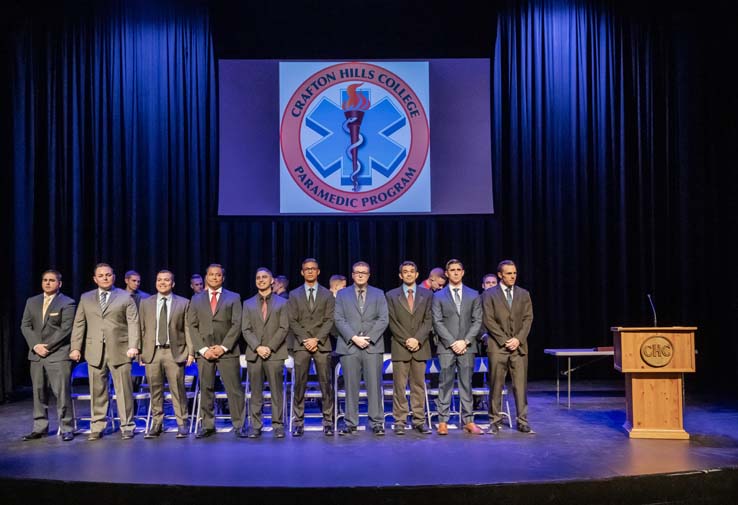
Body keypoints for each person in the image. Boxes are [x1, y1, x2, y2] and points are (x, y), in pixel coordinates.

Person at [70, 263, 140, 440]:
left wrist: (134, 346)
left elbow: (133, 323)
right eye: (101, 275)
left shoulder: (125, 297)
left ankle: (127, 426)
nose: (105, 278)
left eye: (108, 275)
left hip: (121, 350)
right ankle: (98, 425)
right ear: (95, 279)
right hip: (95, 351)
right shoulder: (86, 298)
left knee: (123, 391)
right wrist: (75, 347)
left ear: (114, 277)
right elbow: (79, 323)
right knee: (97, 390)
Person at [188, 263, 246, 438]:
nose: (214, 277)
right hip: (205, 353)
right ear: (206, 277)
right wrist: (204, 349)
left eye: (218, 275)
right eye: (211, 274)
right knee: (206, 388)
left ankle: (239, 425)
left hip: (227, 351)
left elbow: (237, 324)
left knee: (234, 389)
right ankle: (207, 425)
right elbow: (192, 325)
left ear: (223, 277)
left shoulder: (234, 297)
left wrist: (222, 347)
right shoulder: (197, 299)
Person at [20, 270, 76, 441]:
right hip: (37, 355)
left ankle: (66, 427)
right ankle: (40, 427)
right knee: (38, 392)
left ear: (59, 283)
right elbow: (25, 325)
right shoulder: (32, 301)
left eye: (52, 280)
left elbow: (66, 329)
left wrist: (48, 347)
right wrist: (36, 346)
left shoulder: (67, 302)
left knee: (61, 393)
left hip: (58, 354)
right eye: (45, 280)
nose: (47, 283)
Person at [333, 261, 388, 435]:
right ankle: (350, 423)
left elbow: (383, 319)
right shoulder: (342, 294)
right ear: (352, 274)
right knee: (351, 386)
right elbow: (339, 319)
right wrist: (355, 338)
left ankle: (377, 422)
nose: (360, 275)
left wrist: (368, 338)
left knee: (374, 386)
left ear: (369, 275)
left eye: (364, 272)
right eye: (357, 272)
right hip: (350, 346)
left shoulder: (379, 294)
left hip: (372, 346)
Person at [138, 270, 194, 439]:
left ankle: (182, 423)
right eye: (159, 280)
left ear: (173, 283)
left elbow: (188, 328)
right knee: (155, 390)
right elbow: (141, 329)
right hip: (152, 352)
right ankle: (157, 423)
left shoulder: (183, 303)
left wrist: (191, 352)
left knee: (178, 389)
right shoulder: (145, 303)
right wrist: (139, 352)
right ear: (156, 282)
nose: (162, 283)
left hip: (174, 352)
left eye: (167, 280)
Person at [431, 259, 483, 435]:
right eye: (451, 270)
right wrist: (453, 342)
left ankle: (468, 421)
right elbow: (437, 321)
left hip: (467, 346)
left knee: (466, 384)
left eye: (458, 269)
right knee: (444, 383)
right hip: (447, 347)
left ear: (463, 272)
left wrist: (465, 341)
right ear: (446, 273)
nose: (455, 272)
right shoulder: (438, 296)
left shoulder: (473, 294)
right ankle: (443, 421)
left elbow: (477, 321)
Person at [482, 260, 533, 434]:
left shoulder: (523, 294)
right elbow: (488, 320)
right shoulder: (489, 295)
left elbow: (528, 319)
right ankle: (495, 420)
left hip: (519, 347)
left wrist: (518, 339)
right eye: (509, 273)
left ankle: (522, 420)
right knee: (496, 384)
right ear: (500, 275)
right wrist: (505, 340)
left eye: (514, 273)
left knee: (520, 385)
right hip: (498, 346)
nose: (512, 276)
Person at [287, 258, 336, 436]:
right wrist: (306, 339)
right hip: (301, 345)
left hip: (321, 345)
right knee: (300, 384)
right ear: (302, 272)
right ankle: (298, 421)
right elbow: (292, 320)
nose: (309, 271)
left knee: (326, 384)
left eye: (313, 269)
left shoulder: (327, 294)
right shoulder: (294, 294)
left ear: (318, 272)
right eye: (306, 269)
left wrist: (316, 339)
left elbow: (329, 320)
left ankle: (328, 421)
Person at [385, 261, 433, 435]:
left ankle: (419, 420)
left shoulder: (427, 295)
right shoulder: (391, 295)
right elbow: (392, 321)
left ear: (417, 274)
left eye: (412, 271)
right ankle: (400, 420)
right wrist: (407, 339)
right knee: (399, 386)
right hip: (400, 346)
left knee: (418, 385)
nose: (409, 274)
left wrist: (417, 339)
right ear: (400, 275)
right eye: (405, 272)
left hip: (420, 347)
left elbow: (429, 320)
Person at [241, 267, 289, 438]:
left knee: (276, 391)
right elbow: (245, 329)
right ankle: (256, 425)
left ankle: (278, 425)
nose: (261, 280)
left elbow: (284, 328)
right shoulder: (247, 303)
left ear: (272, 281)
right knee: (256, 391)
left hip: (274, 353)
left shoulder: (282, 303)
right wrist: (258, 347)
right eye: (258, 277)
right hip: (255, 354)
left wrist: (269, 347)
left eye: (264, 277)